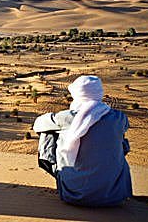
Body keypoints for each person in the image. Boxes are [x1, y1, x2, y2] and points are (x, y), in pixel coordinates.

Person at [33, 75, 132, 207]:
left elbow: (38, 124)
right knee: (120, 140)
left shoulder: (67, 117)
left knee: (48, 132)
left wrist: (60, 123)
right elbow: (123, 131)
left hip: (74, 195)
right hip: (114, 196)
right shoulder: (119, 117)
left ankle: (67, 176)